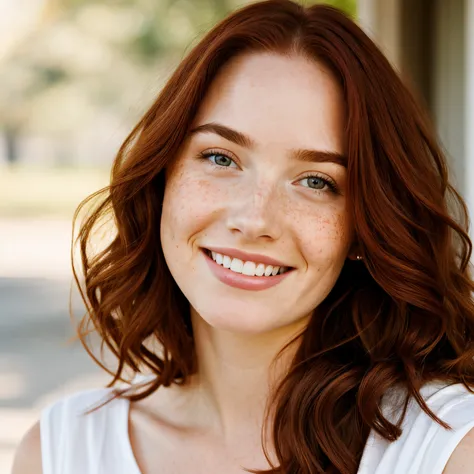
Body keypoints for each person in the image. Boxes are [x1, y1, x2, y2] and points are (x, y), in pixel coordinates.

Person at [12, 0, 474, 473]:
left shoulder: (448, 452)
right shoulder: (58, 453)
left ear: (363, 228)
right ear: (163, 178)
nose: (254, 220)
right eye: (220, 158)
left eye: (316, 181)